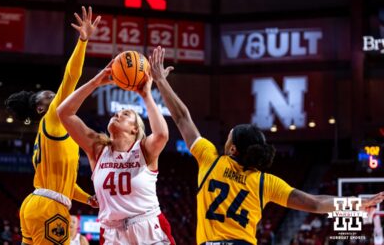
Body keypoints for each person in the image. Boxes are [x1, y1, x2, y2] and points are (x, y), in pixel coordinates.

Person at [149, 46, 384, 245]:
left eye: (229, 136)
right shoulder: (264, 182)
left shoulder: (210, 160)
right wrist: (358, 202)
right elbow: (315, 202)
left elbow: (182, 117)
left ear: (233, 150)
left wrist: (160, 81)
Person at [5, 6, 100, 245]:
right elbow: (71, 77)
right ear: (40, 109)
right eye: (49, 95)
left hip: (36, 204)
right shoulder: (53, 118)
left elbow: (65, 184)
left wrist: (87, 198)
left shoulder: (57, 132)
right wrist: (83, 41)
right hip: (49, 207)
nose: (55, 95)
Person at [56, 63, 175, 244]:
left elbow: (162, 134)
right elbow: (63, 113)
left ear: (135, 129)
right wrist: (94, 83)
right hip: (112, 233)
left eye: (126, 113)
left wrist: (146, 95)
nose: (118, 113)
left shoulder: (144, 149)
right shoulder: (97, 149)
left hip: (148, 228)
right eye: (118, 112)